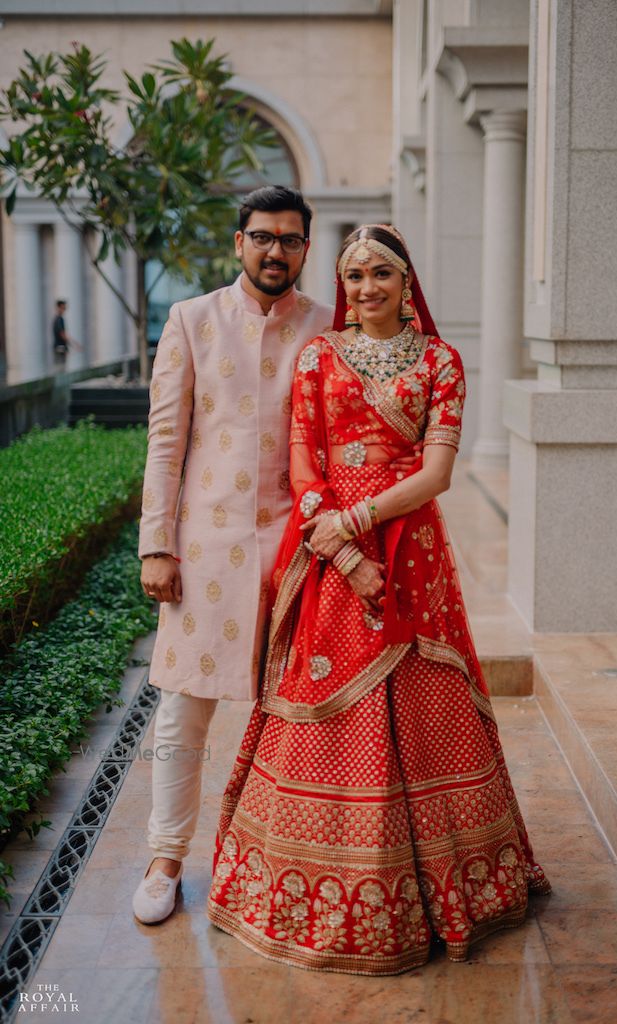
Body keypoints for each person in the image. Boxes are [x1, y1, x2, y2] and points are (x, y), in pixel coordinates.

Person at [207, 224, 550, 974]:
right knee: (328, 697)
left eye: (381, 276)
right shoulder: (318, 357)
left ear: (406, 282)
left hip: (408, 550)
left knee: (426, 694)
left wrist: (358, 527)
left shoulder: (440, 361)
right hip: (330, 548)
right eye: (354, 276)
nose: (366, 290)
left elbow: (437, 475)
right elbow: (304, 459)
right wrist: (335, 546)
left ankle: (447, 887)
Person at [132, 186, 336, 925]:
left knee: (300, 711)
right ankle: (165, 857)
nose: (274, 250)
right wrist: (157, 544)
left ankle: (282, 852)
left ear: (307, 249)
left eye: (289, 238)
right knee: (183, 711)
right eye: (261, 236)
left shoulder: (330, 324)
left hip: (299, 549)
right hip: (205, 548)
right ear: (238, 242)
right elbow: (165, 442)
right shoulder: (191, 321)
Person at [51, 299, 81, 369]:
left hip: (59, 347)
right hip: (60, 348)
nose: (64, 310)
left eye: (64, 308)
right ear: (58, 307)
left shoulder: (57, 319)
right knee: (61, 368)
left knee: (60, 367)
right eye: (62, 308)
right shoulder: (59, 319)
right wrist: (74, 344)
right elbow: (62, 334)